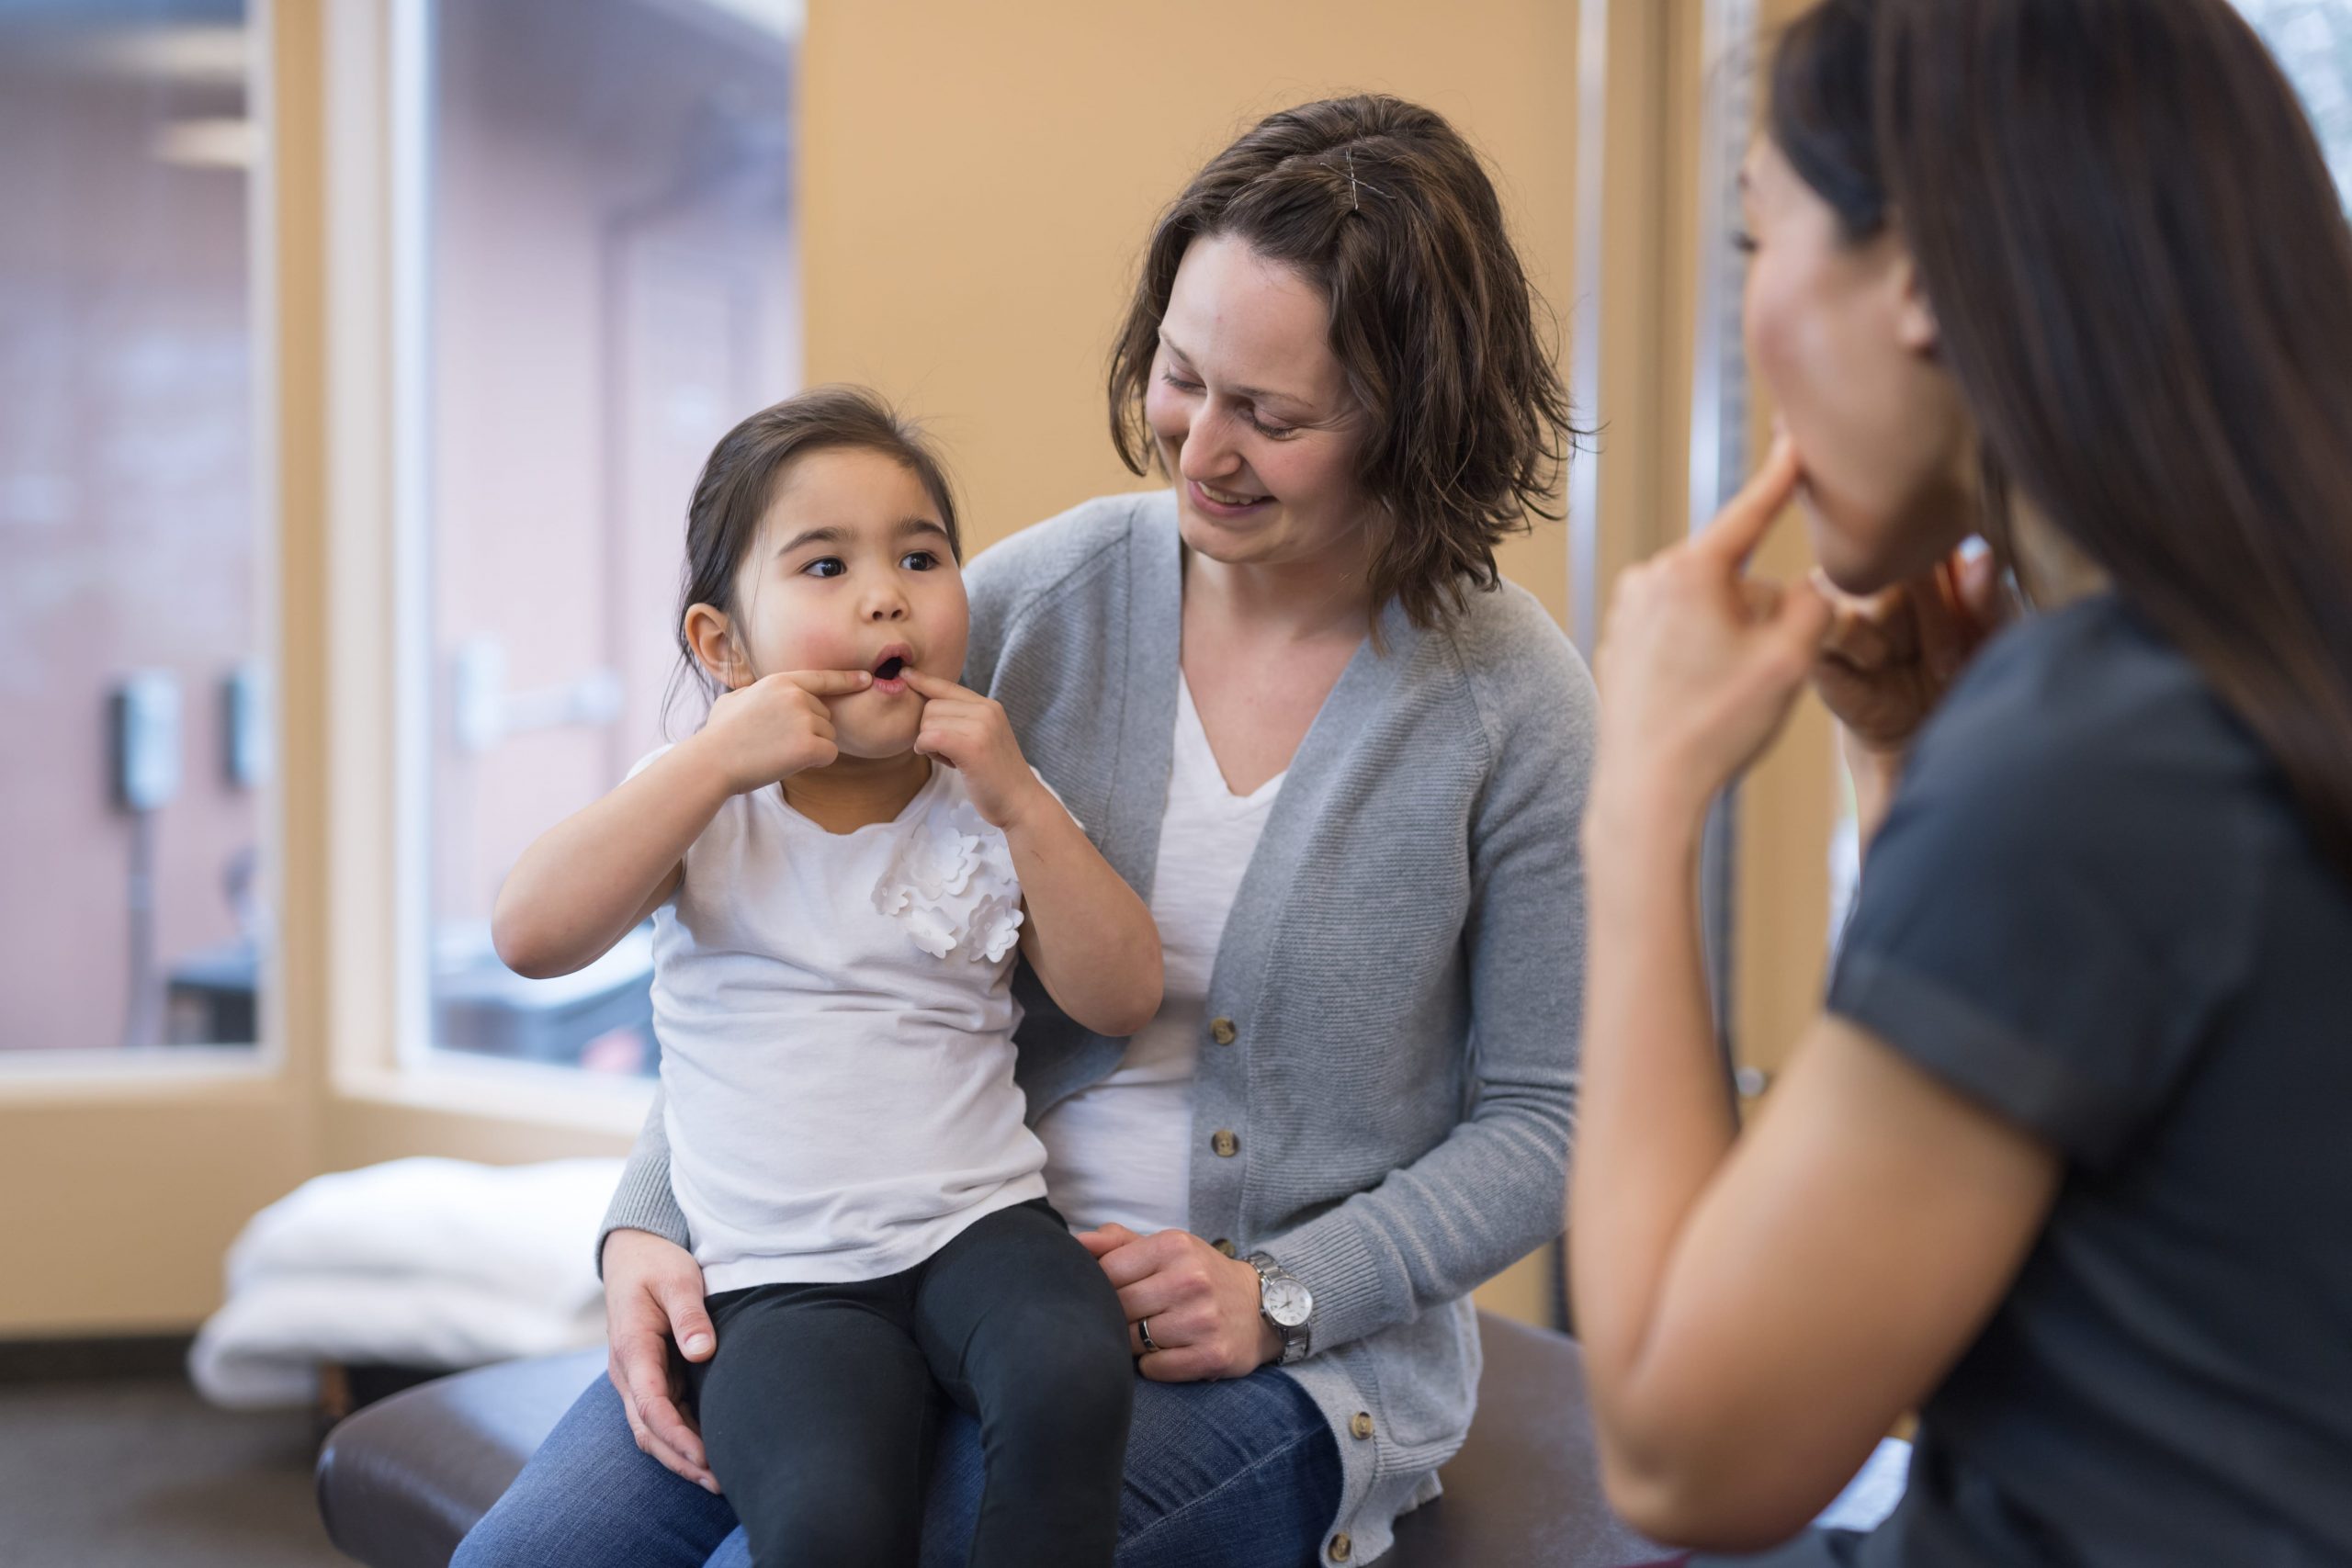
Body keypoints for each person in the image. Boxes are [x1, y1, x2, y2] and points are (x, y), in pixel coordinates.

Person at [455, 93, 1595, 1568]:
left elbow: (1547, 1115)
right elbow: (801, 920)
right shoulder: (1026, 602)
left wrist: (1290, 1288)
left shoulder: (1512, 700)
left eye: (1276, 414)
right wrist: (649, 1216)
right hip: (843, 1260)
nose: (1201, 447)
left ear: (1413, 415)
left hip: (1249, 1356)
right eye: (1183, 375)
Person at [1573, 1, 2352, 1564]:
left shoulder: (2094, 741)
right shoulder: (2232, 665)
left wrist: (1644, 803)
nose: (1756, 320)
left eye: (1755, 244)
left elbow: (1680, 1448)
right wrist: (1913, 764)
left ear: (1921, 275)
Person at [486, 386, 1158, 1567]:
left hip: (982, 1231)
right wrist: (704, 765)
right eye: (825, 567)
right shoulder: (697, 805)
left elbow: (1119, 997)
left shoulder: (989, 792)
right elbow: (530, 935)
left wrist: (1018, 800)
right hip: (779, 1284)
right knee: (825, 1520)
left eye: (918, 555)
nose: (885, 593)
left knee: (1071, 1374)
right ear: (720, 646)